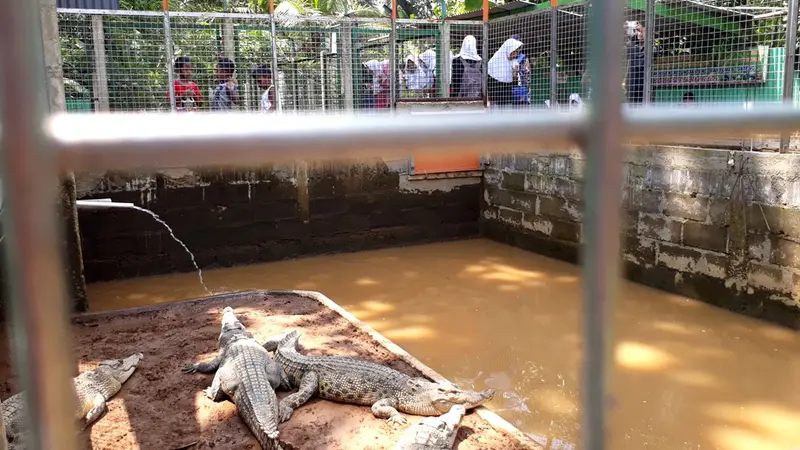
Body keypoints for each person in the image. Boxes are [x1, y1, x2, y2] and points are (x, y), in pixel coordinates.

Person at [487, 37, 523, 107]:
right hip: (495, 96)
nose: (516, 55)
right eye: (514, 52)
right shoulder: (494, 61)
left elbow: (515, 83)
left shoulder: (513, 62)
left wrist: (515, 73)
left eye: (516, 52)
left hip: (507, 97)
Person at [626, 22, 646, 105]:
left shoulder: (650, 48)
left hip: (644, 87)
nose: (640, 33)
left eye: (641, 31)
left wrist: (643, 31)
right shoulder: (634, 49)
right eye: (638, 31)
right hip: (632, 86)